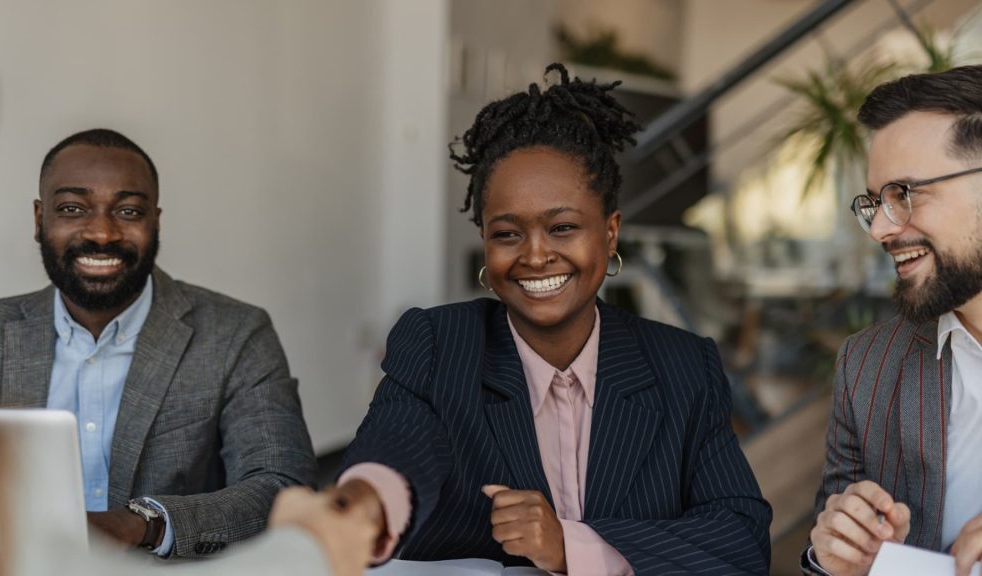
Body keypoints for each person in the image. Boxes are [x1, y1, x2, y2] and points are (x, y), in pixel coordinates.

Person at [331, 63, 772, 575]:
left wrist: (572, 545)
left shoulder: (684, 367)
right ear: (485, 244)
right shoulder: (438, 344)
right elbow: (394, 449)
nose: (536, 256)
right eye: (508, 234)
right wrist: (362, 502)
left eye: (562, 227)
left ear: (610, 233)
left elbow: (740, 538)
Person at [0, 127, 316, 558]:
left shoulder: (236, 334)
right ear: (40, 220)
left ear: (156, 223)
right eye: (73, 208)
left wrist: (141, 525)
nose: (103, 233)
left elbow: (281, 486)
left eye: (128, 212)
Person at [803, 65, 982, 576]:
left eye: (905, 194)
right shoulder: (866, 365)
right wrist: (832, 553)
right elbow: (833, 537)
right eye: (876, 202)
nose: (880, 228)